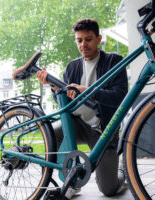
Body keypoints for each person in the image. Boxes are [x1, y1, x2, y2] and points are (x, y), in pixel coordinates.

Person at [36, 18, 128, 199]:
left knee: (108, 190)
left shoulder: (114, 60)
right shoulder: (72, 66)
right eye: (79, 40)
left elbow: (119, 96)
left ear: (99, 38)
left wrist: (89, 92)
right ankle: (72, 179)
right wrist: (55, 89)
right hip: (76, 124)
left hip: (103, 129)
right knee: (52, 133)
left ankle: (121, 172)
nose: (83, 44)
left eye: (88, 39)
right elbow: (62, 101)